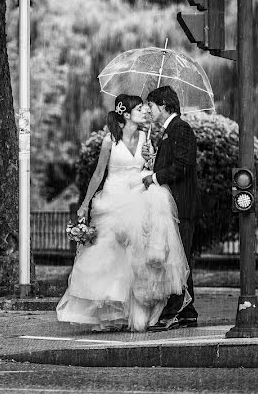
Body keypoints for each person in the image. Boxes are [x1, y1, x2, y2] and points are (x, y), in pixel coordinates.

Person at [56, 94, 190, 332]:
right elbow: (98, 174)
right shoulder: (110, 140)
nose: (145, 112)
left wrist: (150, 160)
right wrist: (85, 202)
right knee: (110, 253)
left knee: (135, 256)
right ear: (126, 115)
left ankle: (134, 310)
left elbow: (150, 170)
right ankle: (109, 308)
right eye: (139, 109)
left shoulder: (146, 139)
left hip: (137, 195)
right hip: (113, 197)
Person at [143, 85, 200, 331]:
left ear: (164, 106)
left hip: (181, 205)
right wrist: (153, 157)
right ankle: (188, 312)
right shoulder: (169, 131)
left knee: (178, 259)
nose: (149, 110)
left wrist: (154, 178)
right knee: (181, 258)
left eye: (152, 106)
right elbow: (172, 162)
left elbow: (183, 165)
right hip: (172, 206)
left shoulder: (181, 129)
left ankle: (172, 313)